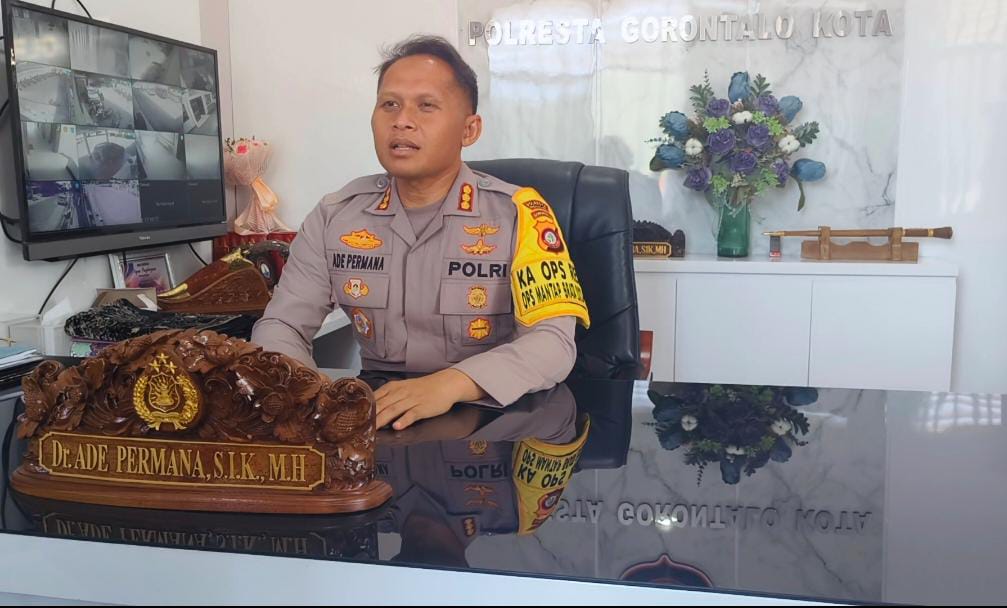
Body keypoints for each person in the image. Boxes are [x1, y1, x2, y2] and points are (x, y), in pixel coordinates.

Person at [252, 35, 589, 431]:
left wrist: (452, 384)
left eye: (426, 106)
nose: (402, 120)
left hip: (490, 417)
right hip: (379, 418)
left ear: (469, 130)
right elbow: (281, 325)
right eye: (389, 105)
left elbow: (553, 342)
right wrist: (306, 394)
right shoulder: (335, 216)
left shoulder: (520, 215)